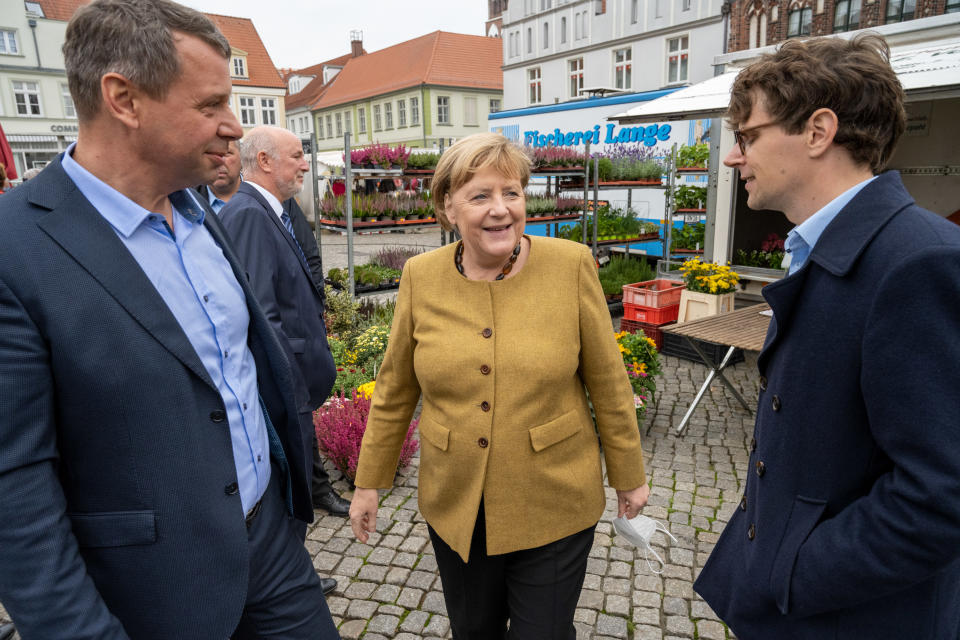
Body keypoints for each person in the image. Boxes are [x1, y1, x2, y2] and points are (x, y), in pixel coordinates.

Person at [0, 1, 340, 638]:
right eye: (210, 106)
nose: (235, 128)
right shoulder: (15, 249)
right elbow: (14, 487)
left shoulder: (198, 210)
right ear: (124, 99)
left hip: (273, 548)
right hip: (159, 589)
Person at [694, 34, 960, 639]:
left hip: (847, 617)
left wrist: (792, 571)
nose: (734, 158)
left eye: (748, 135)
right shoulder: (828, 247)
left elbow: (940, 495)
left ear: (818, 131)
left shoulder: (919, 263)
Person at [348, 132, 650, 639]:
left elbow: (608, 381)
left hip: (554, 495)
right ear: (448, 207)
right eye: (480, 195)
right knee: (474, 630)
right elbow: (396, 388)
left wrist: (629, 474)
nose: (501, 210)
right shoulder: (421, 277)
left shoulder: (570, 264)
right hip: (458, 501)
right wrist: (367, 482)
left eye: (511, 192)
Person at [220, 126, 350, 517]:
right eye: (296, 156)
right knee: (284, 492)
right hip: (283, 383)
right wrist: (290, 385)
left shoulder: (266, 210)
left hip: (293, 380)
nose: (306, 165)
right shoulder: (248, 214)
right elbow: (261, 312)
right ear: (264, 161)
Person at [196, 138, 242, 213]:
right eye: (211, 154)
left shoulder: (259, 197)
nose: (219, 161)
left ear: (241, 157)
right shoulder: (188, 200)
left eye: (226, 154)